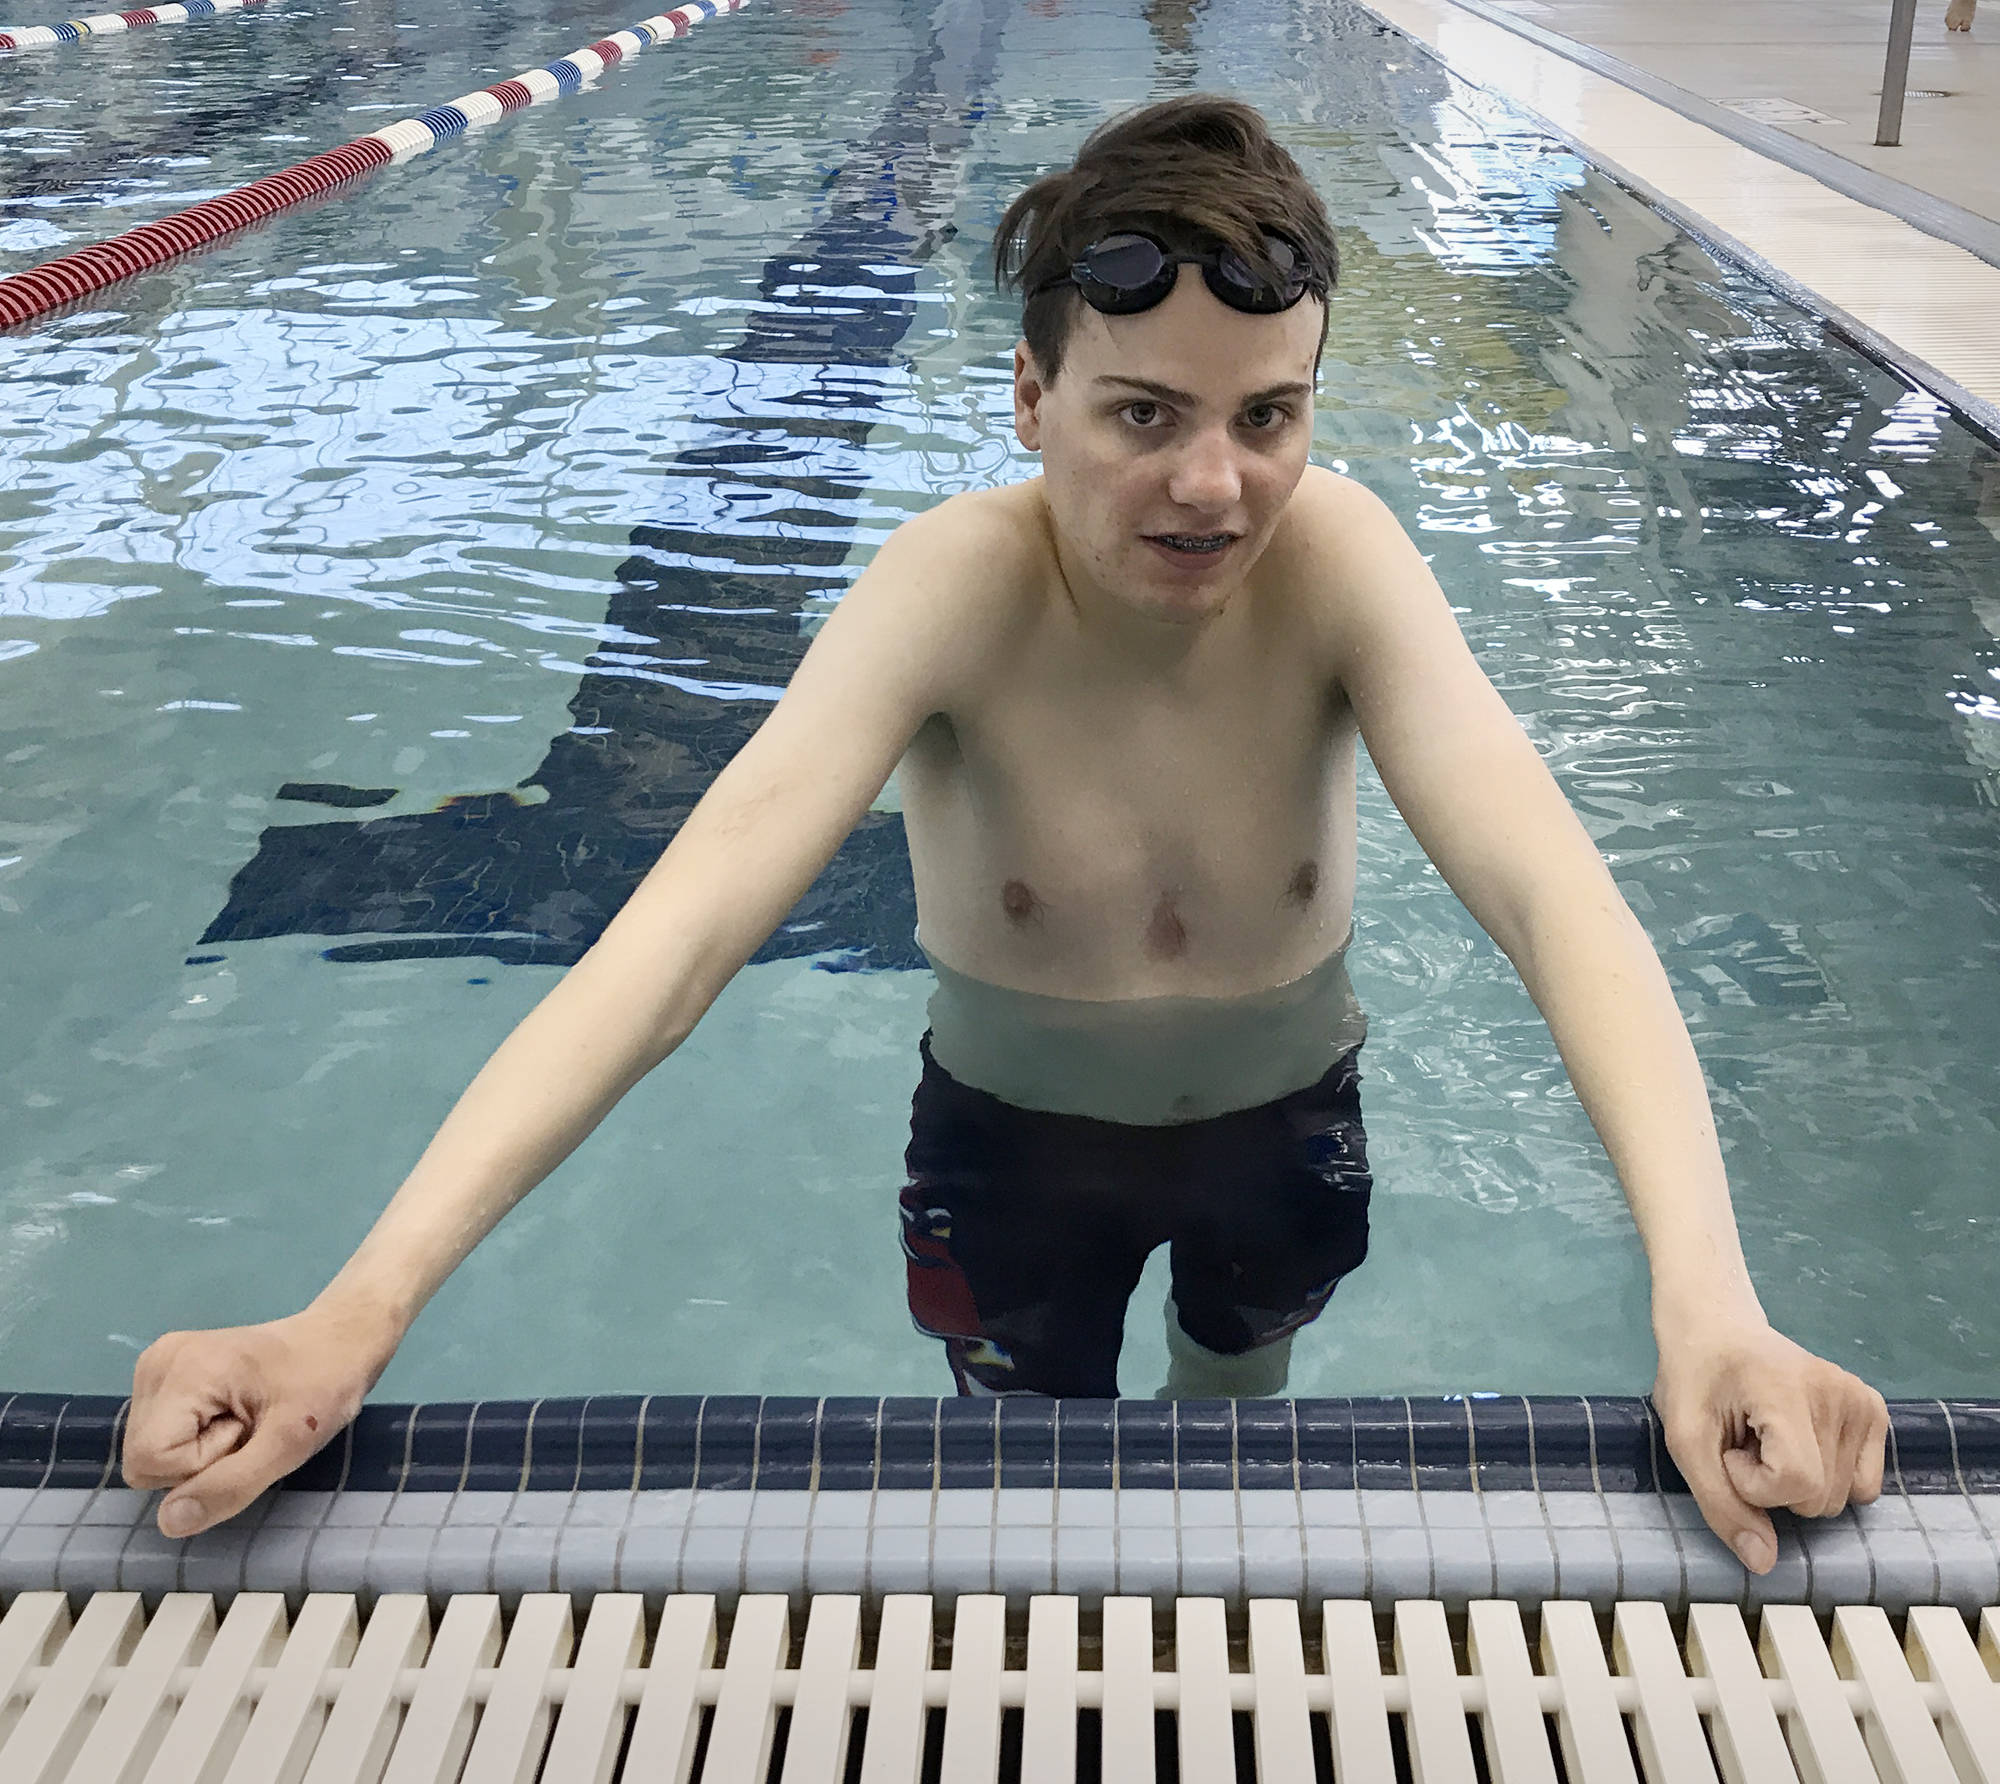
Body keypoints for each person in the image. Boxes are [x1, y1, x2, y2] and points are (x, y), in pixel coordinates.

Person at [124, 95, 1887, 1573]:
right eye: (1144, 415)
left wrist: (1710, 1307)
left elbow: (1559, 906)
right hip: (1012, 1156)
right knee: (1023, 1511)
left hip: (1283, 1130)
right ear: (1031, 400)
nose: (1216, 485)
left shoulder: (1343, 565)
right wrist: (355, 1312)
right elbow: (676, 941)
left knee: (1235, 1449)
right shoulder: (952, 594)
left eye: (1267, 416)